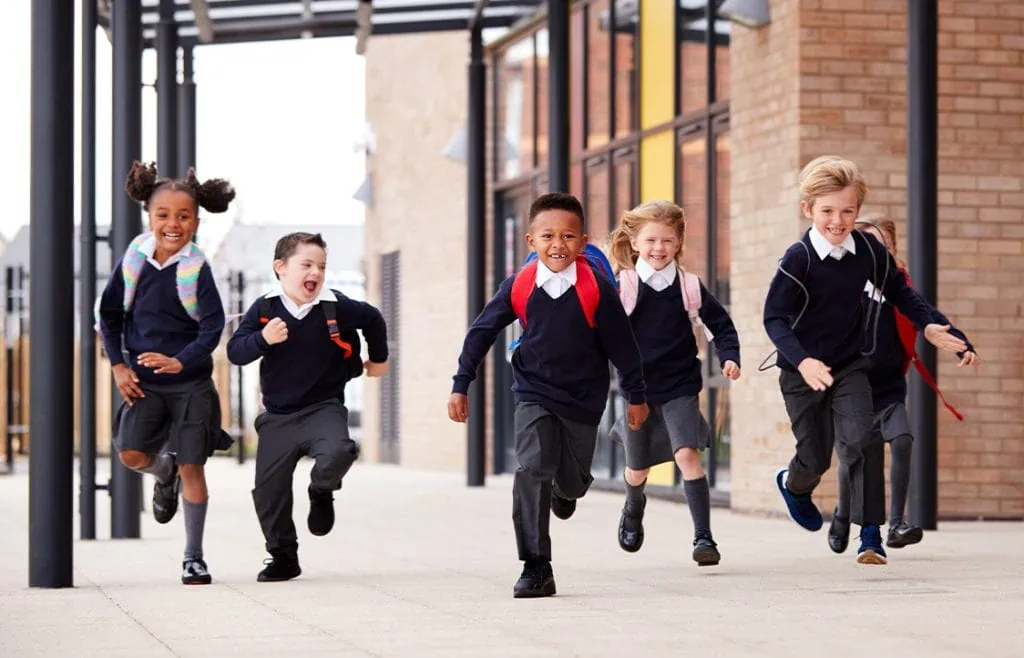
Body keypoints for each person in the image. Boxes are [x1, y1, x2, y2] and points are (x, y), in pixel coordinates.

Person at [763, 156, 969, 565]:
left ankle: (870, 535)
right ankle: (794, 484)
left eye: (847, 211)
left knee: (864, 439)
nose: (838, 222)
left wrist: (928, 326)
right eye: (827, 212)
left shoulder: (869, 251)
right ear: (808, 210)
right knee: (816, 457)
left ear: (857, 211)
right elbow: (774, 318)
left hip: (849, 364)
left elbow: (900, 291)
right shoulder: (798, 258)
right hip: (801, 372)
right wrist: (803, 362)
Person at [448, 192, 649, 598]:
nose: (558, 244)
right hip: (533, 390)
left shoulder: (595, 287)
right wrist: (460, 382)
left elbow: (623, 346)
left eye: (569, 236)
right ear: (531, 241)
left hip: (583, 397)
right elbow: (481, 332)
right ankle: (536, 566)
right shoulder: (520, 285)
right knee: (530, 468)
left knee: (573, 483)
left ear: (583, 241)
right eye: (548, 236)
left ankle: (563, 490)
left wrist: (636, 394)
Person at [96, 160, 235, 585]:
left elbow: (213, 326)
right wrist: (118, 364)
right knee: (132, 455)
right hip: (143, 383)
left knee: (194, 465)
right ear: (149, 216)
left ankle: (194, 557)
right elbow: (109, 315)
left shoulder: (197, 268)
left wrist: (182, 361)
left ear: (196, 220)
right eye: (163, 215)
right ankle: (163, 472)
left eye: (183, 216)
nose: (173, 224)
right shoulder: (134, 259)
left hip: (190, 383)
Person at [227, 232, 389, 582]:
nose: (315, 272)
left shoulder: (336, 307)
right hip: (278, 417)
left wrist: (378, 359)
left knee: (339, 451)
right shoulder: (265, 310)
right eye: (307, 265)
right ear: (281, 268)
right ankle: (284, 556)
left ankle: (322, 489)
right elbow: (235, 352)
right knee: (268, 493)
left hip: (323, 409)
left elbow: (373, 318)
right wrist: (262, 339)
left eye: (322, 266)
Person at [829, 216, 977, 554]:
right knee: (852, 456)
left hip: (890, 388)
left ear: (894, 253)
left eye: (886, 248)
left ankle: (895, 524)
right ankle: (842, 513)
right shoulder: (844, 292)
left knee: (903, 439)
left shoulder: (902, 293)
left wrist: (964, 346)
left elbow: (934, 318)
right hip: (853, 390)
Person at [606, 200, 741, 566]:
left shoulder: (689, 287)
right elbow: (600, 331)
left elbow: (721, 326)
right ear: (635, 242)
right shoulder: (623, 286)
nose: (659, 248)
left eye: (667, 240)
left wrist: (729, 356)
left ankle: (704, 538)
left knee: (687, 456)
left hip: (681, 384)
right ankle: (634, 506)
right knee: (638, 469)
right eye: (650, 240)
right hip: (639, 391)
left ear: (679, 242)